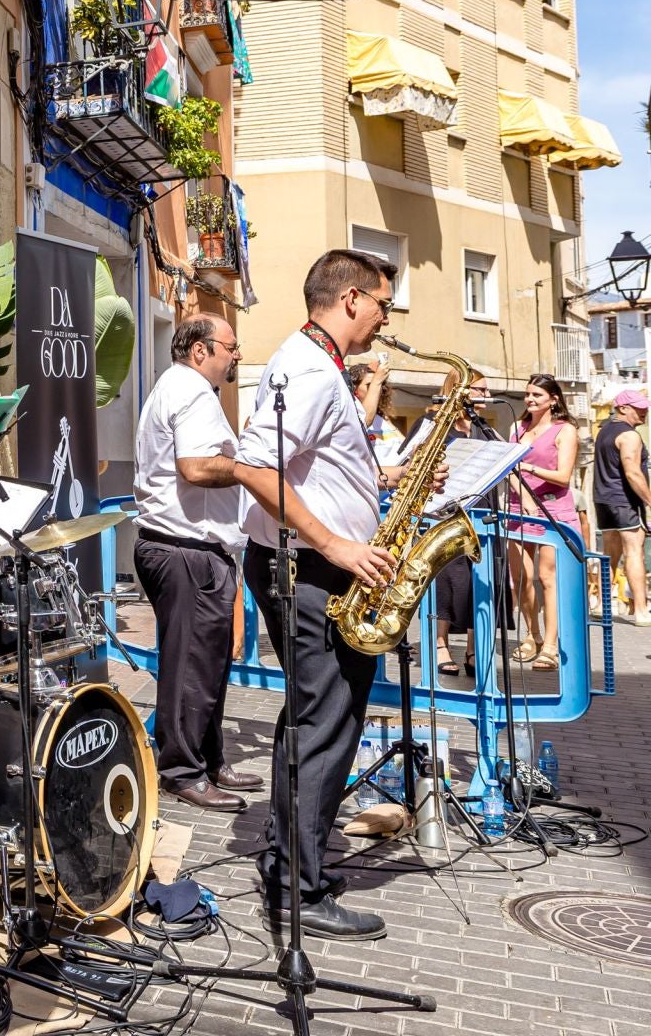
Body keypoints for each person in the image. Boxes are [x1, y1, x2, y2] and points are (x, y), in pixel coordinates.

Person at [235, 248, 443, 942]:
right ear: (351, 298)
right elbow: (255, 467)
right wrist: (336, 545)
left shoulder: (312, 365)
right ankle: (300, 887)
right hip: (312, 572)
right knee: (328, 724)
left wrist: (388, 479)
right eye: (383, 303)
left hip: (306, 566)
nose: (387, 318)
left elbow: (313, 465)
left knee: (312, 721)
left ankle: (286, 862)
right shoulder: (309, 370)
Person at [132, 312, 261, 811]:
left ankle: (207, 759)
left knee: (206, 664)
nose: (237, 355)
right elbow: (196, 467)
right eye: (230, 346)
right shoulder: (190, 391)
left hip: (190, 548)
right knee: (190, 666)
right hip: (187, 549)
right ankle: (182, 771)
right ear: (200, 349)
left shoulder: (181, 388)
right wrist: (253, 469)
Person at [506, 373, 580, 671]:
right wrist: (523, 496)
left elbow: (563, 477)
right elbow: (507, 469)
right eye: (528, 394)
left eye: (537, 395)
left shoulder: (565, 431)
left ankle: (550, 644)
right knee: (522, 580)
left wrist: (529, 467)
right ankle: (531, 634)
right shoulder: (517, 428)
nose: (530, 400)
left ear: (554, 399)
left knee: (548, 579)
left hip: (553, 512)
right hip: (518, 510)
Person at [425, 369, 494, 676]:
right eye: (479, 390)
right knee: (446, 582)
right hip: (445, 514)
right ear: (460, 390)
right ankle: (440, 644)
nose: (486, 397)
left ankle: (472, 648)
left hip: (479, 514)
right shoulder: (434, 424)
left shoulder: (484, 429)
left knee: (475, 584)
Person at [594, 388, 651, 625]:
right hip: (625, 501)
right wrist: (649, 500)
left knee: (609, 554)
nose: (645, 411)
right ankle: (641, 610)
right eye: (639, 407)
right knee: (634, 552)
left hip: (603, 500)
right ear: (623, 408)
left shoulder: (604, 432)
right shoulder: (630, 436)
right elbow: (632, 472)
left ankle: (600, 605)